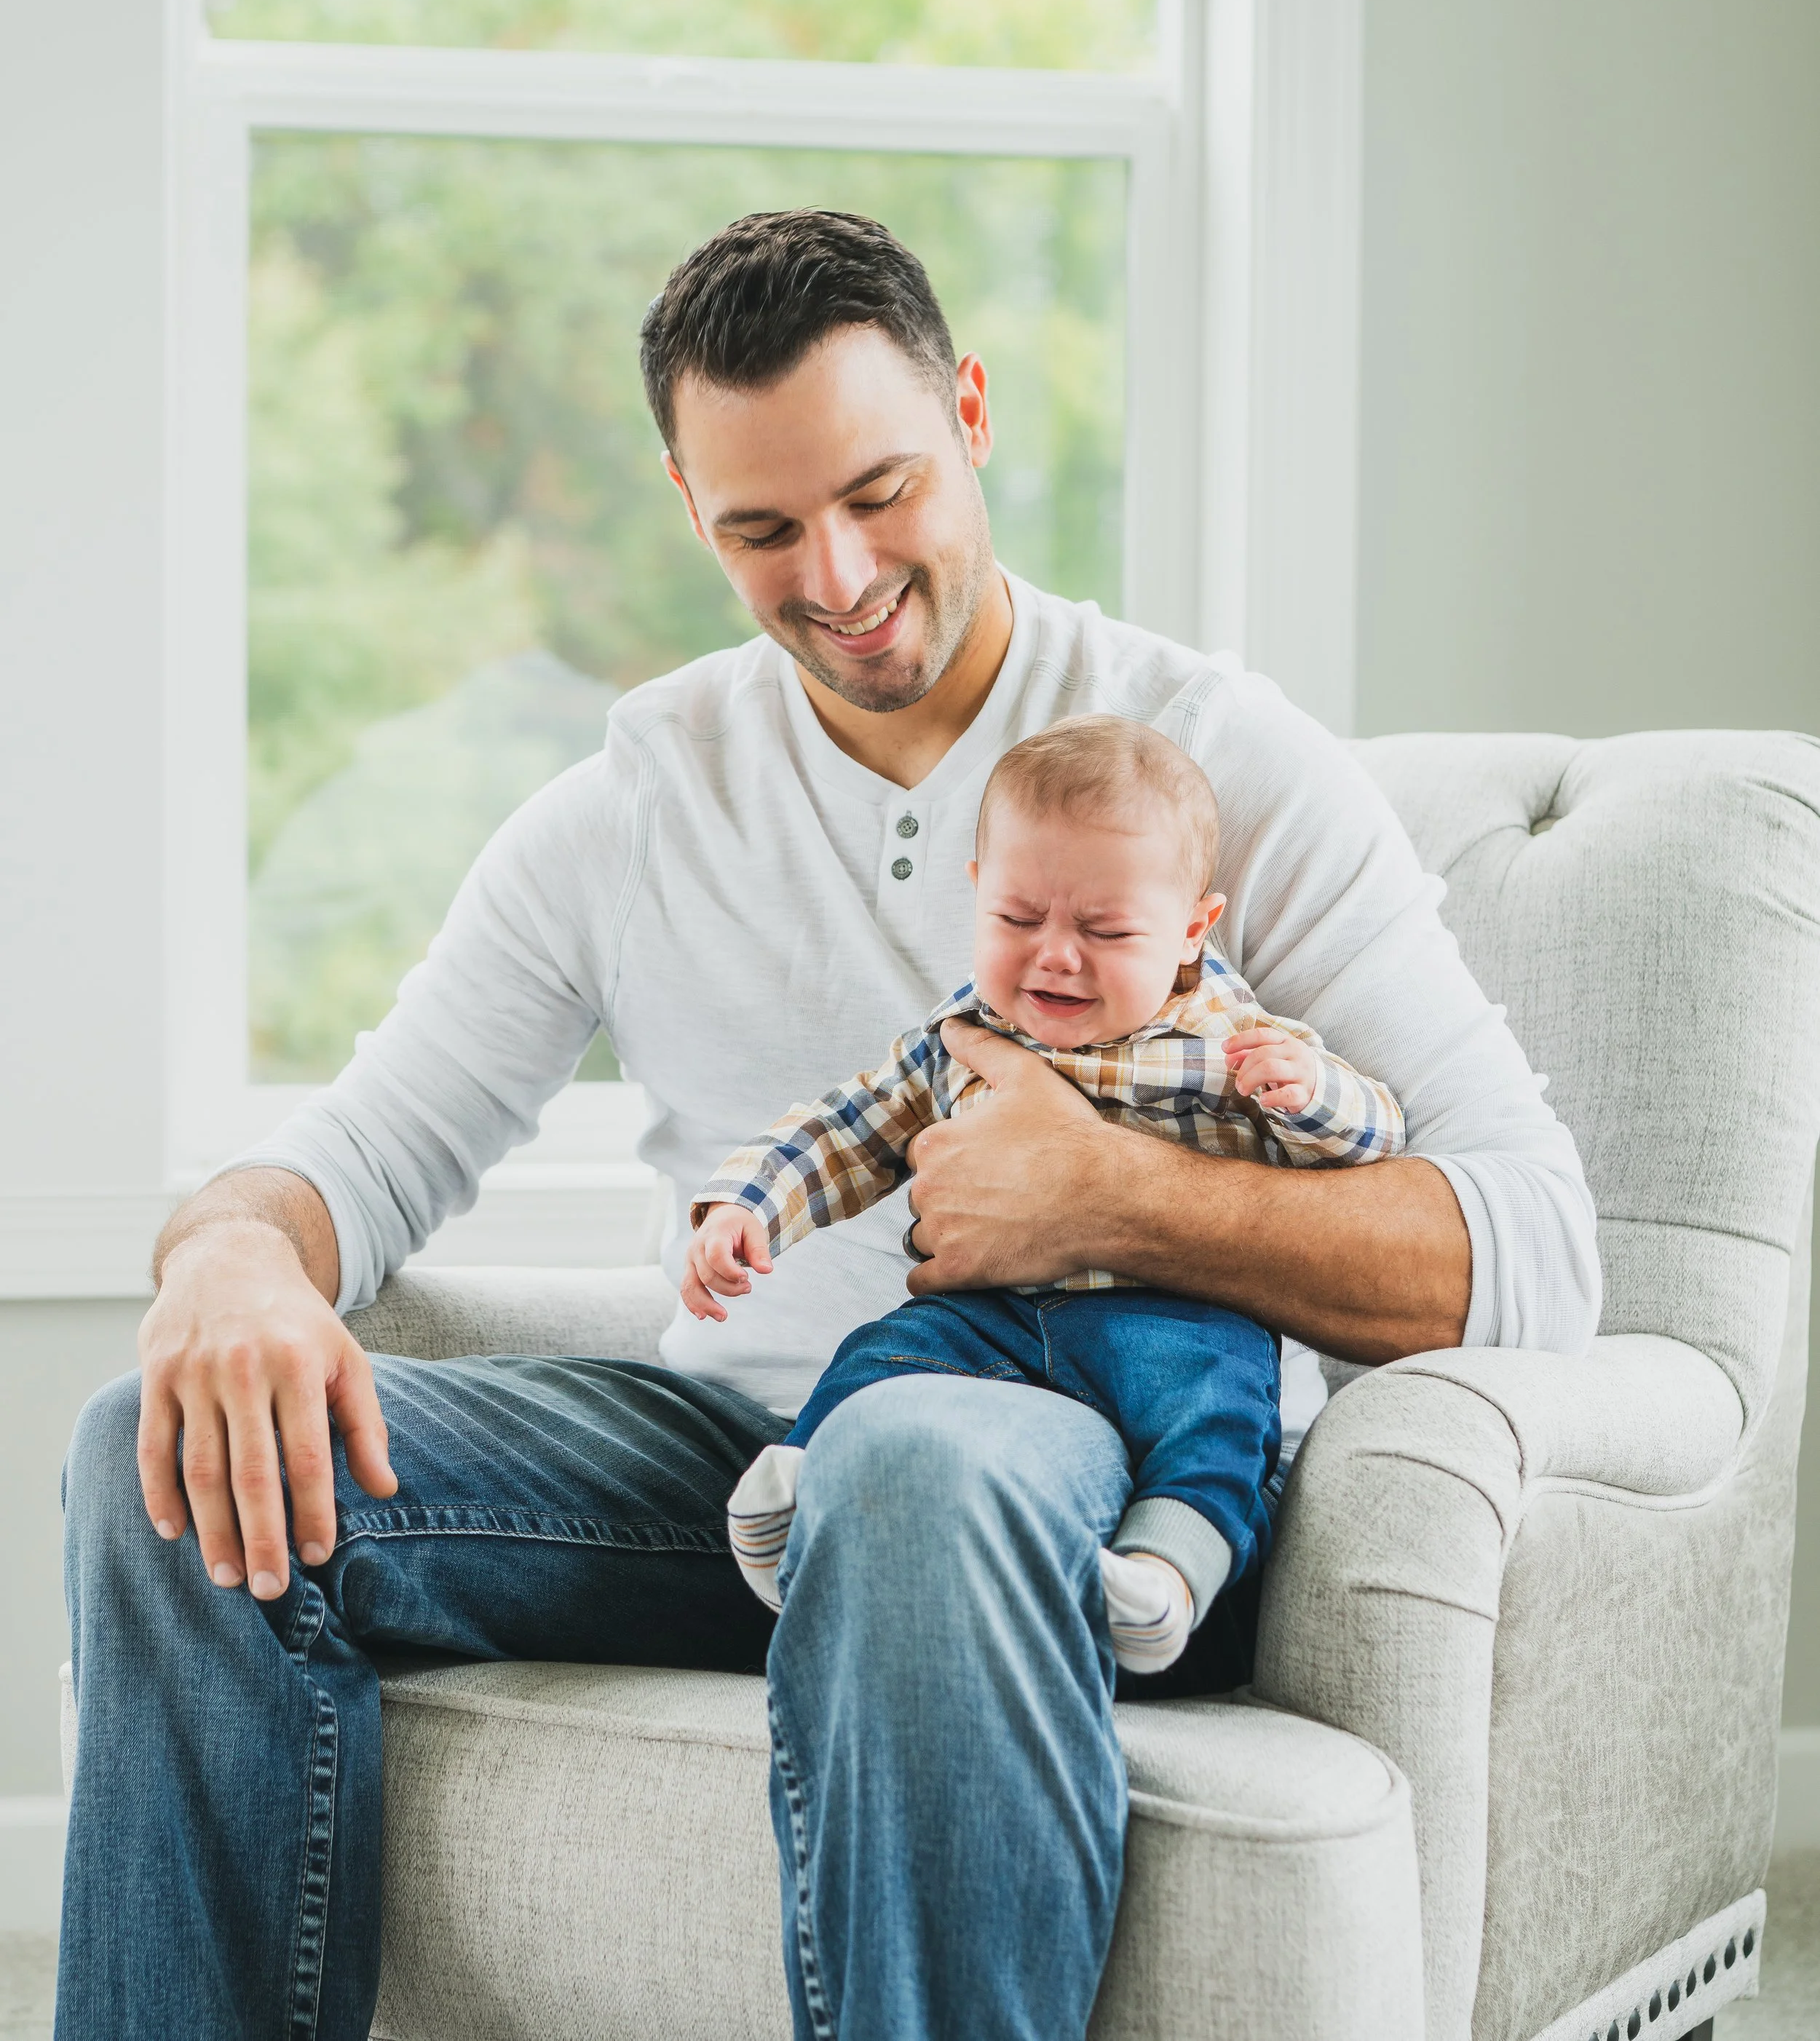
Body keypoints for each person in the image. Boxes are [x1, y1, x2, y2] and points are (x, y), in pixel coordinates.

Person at [57, 209, 1599, 2041]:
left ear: (966, 413)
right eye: (763, 529)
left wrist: (1119, 1193)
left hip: (1069, 1474)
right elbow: (367, 1152)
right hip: (717, 1476)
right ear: (684, 503)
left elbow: (1536, 1255)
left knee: (907, 1459)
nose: (842, 572)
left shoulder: (1215, 767)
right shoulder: (638, 802)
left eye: (881, 490)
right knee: (164, 1466)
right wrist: (231, 1257)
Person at [694, 713, 1405, 1673]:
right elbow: (845, 1128)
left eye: (1106, 930)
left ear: (1194, 926)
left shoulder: (1229, 1038)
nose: (1054, 956)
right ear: (978, 892)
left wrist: (1311, 1096)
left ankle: (1167, 1576)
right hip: (991, 1317)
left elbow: (1374, 1139)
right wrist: (745, 1206)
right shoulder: (961, 1034)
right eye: (1017, 919)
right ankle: (803, 1487)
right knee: (889, 1348)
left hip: (1175, 1323)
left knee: (1224, 1419)